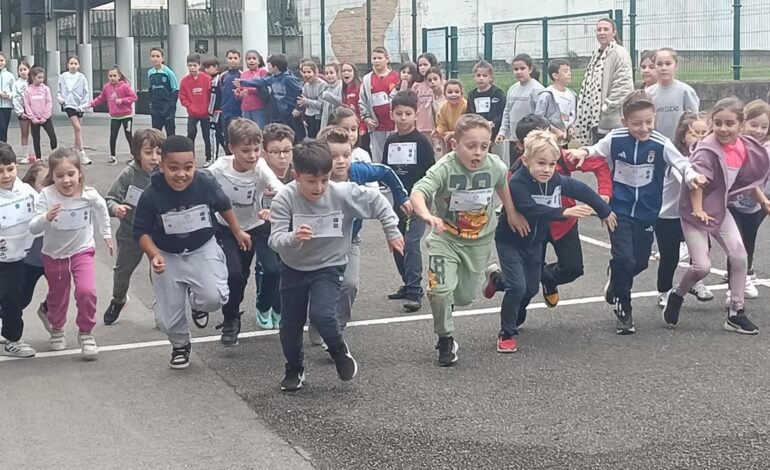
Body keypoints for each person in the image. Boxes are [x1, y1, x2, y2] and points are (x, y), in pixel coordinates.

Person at [268, 140, 404, 392]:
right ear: (296, 176)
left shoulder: (342, 193)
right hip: (294, 268)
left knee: (322, 314)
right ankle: (294, 368)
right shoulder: (284, 198)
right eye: (311, 181)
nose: (319, 187)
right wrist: (293, 237)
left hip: (329, 266)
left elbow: (378, 201)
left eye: (324, 179)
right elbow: (274, 240)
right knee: (290, 326)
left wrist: (392, 231)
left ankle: (339, 351)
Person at [568, 91, 705, 335]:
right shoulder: (615, 138)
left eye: (649, 122)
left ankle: (617, 279)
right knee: (624, 259)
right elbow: (596, 150)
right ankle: (624, 309)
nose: (644, 128)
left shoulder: (661, 143)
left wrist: (692, 176)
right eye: (636, 123)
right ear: (624, 122)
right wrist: (583, 152)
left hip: (648, 213)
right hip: (618, 211)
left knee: (639, 261)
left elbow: (682, 164)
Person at [410, 114, 529, 367]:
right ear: (455, 145)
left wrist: (511, 211)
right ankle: (445, 339)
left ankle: (490, 275)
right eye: (471, 146)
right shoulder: (444, 169)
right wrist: (427, 215)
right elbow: (419, 192)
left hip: (479, 239)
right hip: (446, 238)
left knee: (463, 298)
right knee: (440, 291)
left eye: (484, 147)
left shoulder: (494, 166)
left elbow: (501, 185)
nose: (478, 153)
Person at [485, 130, 615, 353]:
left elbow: (581, 189)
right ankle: (506, 333)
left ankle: (498, 281)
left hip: (534, 243)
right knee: (517, 286)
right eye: (541, 163)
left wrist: (604, 211)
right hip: (511, 242)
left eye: (552, 164)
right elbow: (528, 208)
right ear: (526, 161)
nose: (547, 169)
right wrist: (565, 211)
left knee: (530, 287)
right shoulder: (518, 182)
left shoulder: (554, 180)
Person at [132, 136, 251, 369]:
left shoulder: (205, 183)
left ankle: (197, 304)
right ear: (162, 166)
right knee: (166, 317)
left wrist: (238, 232)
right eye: (173, 168)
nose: (181, 174)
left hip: (202, 248)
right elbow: (141, 232)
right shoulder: (151, 195)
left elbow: (224, 206)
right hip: (167, 255)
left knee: (214, 297)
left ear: (195, 164)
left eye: (188, 168)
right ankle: (180, 345)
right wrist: (153, 254)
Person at [663, 97, 770, 333]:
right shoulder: (706, 150)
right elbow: (696, 182)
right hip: (695, 211)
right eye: (718, 123)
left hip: (719, 209)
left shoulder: (745, 146)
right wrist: (699, 210)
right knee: (701, 267)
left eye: (729, 123)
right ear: (712, 122)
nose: (723, 128)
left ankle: (735, 312)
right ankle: (677, 294)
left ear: (740, 125)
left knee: (740, 256)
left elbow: (749, 177)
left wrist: (762, 200)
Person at [502, 114, 612, 309]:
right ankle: (511, 312)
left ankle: (549, 280)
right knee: (528, 282)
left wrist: (604, 195)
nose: (544, 146)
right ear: (521, 146)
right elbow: (510, 200)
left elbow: (599, 165)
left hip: (564, 224)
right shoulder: (516, 173)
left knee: (573, 268)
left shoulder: (562, 157)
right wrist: (512, 214)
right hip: (534, 227)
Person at [29, 147, 112, 359]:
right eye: (59, 176)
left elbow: (102, 209)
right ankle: (57, 327)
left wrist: (106, 234)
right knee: (58, 295)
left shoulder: (89, 195)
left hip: (82, 250)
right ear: (52, 176)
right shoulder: (47, 196)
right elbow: (33, 227)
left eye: (71, 174)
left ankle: (86, 333)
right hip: (54, 255)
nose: (66, 181)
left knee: (87, 291)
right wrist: (46, 217)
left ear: (79, 173)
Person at [206, 118, 283, 346]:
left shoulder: (260, 168)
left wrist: (275, 206)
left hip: (258, 226)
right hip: (227, 229)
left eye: (256, 149)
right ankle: (231, 318)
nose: (252, 155)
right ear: (231, 148)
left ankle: (265, 306)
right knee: (235, 274)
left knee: (273, 270)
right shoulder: (219, 168)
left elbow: (278, 187)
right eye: (245, 150)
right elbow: (197, 182)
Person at [103, 129, 163, 325]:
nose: (154, 158)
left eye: (159, 152)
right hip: (131, 233)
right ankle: (118, 299)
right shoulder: (129, 174)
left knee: (160, 270)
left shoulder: (167, 173)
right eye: (148, 152)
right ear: (137, 153)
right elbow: (110, 198)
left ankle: (162, 306)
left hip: (158, 234)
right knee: (122, 271)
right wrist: (116, 208)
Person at [382, 90, 435, 311]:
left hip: (418, 200)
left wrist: (418, 199)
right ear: (392, 114)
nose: (403, 118)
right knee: (397, 241)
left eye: (407, 113)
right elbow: (386, 171)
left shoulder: (422, 142)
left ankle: (415, 290)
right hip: (397, 200)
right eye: (399, 113)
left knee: (412, 242)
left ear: (415, 115)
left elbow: (431, 173)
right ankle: (407, 282)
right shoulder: (390, 141)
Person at [655, 112, 713, 308]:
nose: (700, 138)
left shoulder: (710, 156)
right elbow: (689, 183)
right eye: (694, 134)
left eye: (705, 133)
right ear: (682, 136)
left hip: (694, 214)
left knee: (703, 251)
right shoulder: (676, 158)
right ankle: (664, 291)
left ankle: (695, 282)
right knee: (669, 255)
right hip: (668, 214)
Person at [254, 123, 296, 329]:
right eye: (276, 152)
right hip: (262, 231)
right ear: (265, 153)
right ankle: (262, 305)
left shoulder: (297, 173)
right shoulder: (259, 173)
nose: (282, 157)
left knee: (286, 271)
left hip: (289, 232)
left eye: (287, 151)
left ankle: (279, 308)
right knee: (270, 270)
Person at [727, 99, 770, 299]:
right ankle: (733, 290)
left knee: (748, 245)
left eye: (764, 126)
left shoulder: (766, 149)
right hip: (731, 204)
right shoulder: (735, 145)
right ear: (743, 123)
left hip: (755, 206)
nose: (759, 130)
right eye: (754, 125)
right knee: (736, 246)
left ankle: (746, 273)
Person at [0, 142, 38, 357]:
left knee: (14, 299)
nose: (6, 175)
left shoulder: (26, 191)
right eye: (0, 171)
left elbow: (42, 211)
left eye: (10, 169)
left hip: (17, 259)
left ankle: (13, 339)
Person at [575, 18, 634, 145]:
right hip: (595, 120)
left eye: (606, 29)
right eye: (599, 29)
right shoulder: (597, 55)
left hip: (612, 121)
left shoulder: (619, 53)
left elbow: (623, 86)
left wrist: (606, 108)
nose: (602, 32)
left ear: (614, 32)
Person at [236, 53, 305, 143]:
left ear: (275, 67)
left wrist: (297, 108)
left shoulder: (288, 78)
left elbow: (300, 92)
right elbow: (261, 81)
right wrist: (243, 82)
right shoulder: (273, 78)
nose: (267, 67)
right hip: (280, 113)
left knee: (296, 135)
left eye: (269, 65)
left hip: (291, 112)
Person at [496, 54, 545, 159]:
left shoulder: (537, 89)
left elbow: (540, 116)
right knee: (515, 169)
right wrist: (502, 132)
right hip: (514, 138)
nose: (519, 71)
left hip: (530, 140)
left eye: (522, 68)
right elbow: (507, 112)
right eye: (515, 69)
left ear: (530, 69)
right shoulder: (512, 89)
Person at [19, 162, 50, 331]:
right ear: (32, 184)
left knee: (60, 291)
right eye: (44, 184)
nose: (48, 188)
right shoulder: (28, 200)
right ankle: (6, 321)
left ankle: (46, 311)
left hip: (52, 257)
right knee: (23, 297)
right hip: (30, 260)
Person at [646, 48, 700, 141]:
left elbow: (694, 120)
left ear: (676, 65)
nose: (664, 68)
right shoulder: (649, 93)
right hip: (657, 143)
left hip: (680, 145)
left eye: (668, 64)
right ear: (654, 66)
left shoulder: (686, 91)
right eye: (659, 64)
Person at [88, 65, 138, 165]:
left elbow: (134, 97)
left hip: (126, 116)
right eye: (110, 76)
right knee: (113, 136)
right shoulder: (107, 87)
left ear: (119, 76)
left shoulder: (124, 86)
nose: (112, 78)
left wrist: (122, 101)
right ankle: (113, 156)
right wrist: (92, 103)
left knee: (128, 135)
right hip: (114, 117)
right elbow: (101, 98)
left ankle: (133, 156)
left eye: (114, 75)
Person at [359, 46, 400, 163]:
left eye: (380, 58)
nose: (377, 61)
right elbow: (362, 101)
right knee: (378, 158)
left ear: (387, 59)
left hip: (394, 126)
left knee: (394, 158)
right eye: (374, 58)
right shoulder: (367, 79)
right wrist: (366, 118)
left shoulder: (396, 77)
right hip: (377, 127)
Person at [535, 58, 577, 147]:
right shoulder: (546, 94)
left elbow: (572, 115)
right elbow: (539, 118)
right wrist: (554, 130)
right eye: (565, 71)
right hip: (548, 140)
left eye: (570, 71)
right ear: (555, 75)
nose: (569, 74)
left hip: (564, 140)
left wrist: (571, 127)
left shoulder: (572, 94)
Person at [179, 53, 213, 162]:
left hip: (206, 114)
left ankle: (209, 158)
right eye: (190, 65)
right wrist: (190, 106)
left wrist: (209, 107)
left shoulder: (207, 79)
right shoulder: (184, 81)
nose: (192, 68)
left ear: (199, 66)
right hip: (192, 114)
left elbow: (211, 94)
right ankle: (190, 158)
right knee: (191, 134)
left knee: (207, 136)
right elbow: (182, 97)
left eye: (194, 65)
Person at [58, 55, 91, 165]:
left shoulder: (82, 77)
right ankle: (82, 153)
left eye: (75, 64)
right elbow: (59, 90)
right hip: (69, 104)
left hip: (80, 105)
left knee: (78, 130)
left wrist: (84, 104)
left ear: (79, 65)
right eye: (71, 63)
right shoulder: (63, 76)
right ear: (67, 65)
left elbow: (86, 91)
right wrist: (61, 99)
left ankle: (75, 151)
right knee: (77, 128)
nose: (73, 66)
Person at [466, 60, 507, 146]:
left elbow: (503, 112)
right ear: (474, 77)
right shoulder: (472, 95)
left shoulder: (497, 93)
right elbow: (469, 113)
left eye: (484, 75)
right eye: (478, 75)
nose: (481, 78)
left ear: (490, 77)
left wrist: (493, 122)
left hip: (495, 133)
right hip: (478, 133)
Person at [23, 67, 57, 162]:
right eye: (39, 77)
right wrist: (32, 117)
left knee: (52, 136)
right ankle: (38, 157)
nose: (41, 80)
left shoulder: (46, 89)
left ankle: (54, 155)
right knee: (36, 138)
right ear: (33, 77)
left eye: (42, 77)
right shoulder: (28, 90)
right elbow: (27, 105)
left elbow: (49, 102)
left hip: (45, 118)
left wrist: (45, 116)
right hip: (34, 118)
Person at [147, 47, 179, 135]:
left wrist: (171, 105)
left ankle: (171, 148)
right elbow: (150, 88)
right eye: (153, 56)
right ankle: (158, 148)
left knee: (170, 129)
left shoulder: (168, 72)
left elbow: (175, 89)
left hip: (167, 106)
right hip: (156, 107)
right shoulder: (150, 72)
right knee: (156, 132)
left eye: (158, 56)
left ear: (162, 58)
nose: (155, 58)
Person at [412, 66, 445, 145]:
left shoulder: (447, 94)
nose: (433, 82)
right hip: (432, 129)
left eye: (435, 79)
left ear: (441, 79)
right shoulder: (431, 95)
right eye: (429, 80)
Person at [434, 79, 467, 154]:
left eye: (457, 92)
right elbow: (441, 123)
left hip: (464, 140)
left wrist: (453, 133)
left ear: (461, 94)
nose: (453, 94)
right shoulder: (444, 107)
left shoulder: (466, 106)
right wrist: (438, 131)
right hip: (449, 141)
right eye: (450, 92)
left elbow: (468, 126)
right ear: (445, 95)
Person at [296, 59, 327, 139]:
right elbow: (303, 101)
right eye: (304, 72)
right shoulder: (306, 85)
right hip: (308, 115)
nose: (306, 75)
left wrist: (306, 101)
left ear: (315, 72)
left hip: (318, 117)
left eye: (309, 72)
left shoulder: (322, 85)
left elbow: (322, 104)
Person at [203, 56, 226, 161]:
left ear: (215, 67)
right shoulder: (215, 79)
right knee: (220, 135)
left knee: (214, 135)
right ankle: (228, 154)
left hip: (216, 112)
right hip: (219, 111)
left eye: (209, 67)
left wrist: (210, 111)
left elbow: (214, 97)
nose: (206, 70)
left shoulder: (216, 80)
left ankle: (213, 159)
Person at [239, 50, 269, 128]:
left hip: (259, 108)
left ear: (258, 61)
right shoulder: (243, 74)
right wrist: (238, 92)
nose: (251, 60)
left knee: (259, 131)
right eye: (249, 59)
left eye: (254, 58)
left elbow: (265, 91)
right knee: (248, 132)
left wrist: (250, 91)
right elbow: (241, 90)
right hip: (245, 108)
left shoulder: (263, 72)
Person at [220, 49, 243, 148]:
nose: (233, 60)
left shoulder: (242, 75)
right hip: (225, 111)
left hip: (238, 111)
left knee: (238, 137)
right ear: (226, 59)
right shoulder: (223, 76)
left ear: (239, 59)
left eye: (235, 58)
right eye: (230, 58)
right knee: (227, 138)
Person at [12, 60, 33, 164]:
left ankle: (36, 154)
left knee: (35, 133)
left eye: (25, 69)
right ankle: (25, 155)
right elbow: (15, 98)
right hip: (22, 111)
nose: (23, 72)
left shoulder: (32, 83)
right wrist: (20, 112)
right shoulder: (16, 84)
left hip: (34, 111)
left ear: (29, 70)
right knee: (24, 133)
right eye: (20, 70)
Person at [319, 63, 343, 127]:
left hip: (337, 121)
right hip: (327, 121)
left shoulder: (341, 86)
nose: (329, 75)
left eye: (331, 73)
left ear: (337, 73)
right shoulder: (326, 87)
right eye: (327, 73)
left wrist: (327, 95)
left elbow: (341, 102)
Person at [0, 52, 14, 143]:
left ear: (5, 62)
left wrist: (8, 95)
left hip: (7, 106)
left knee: (4, 129)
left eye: (1, 60)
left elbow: (14, 91)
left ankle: (3, 149)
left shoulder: (10, 75)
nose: (0, 62)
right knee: (2, 126)